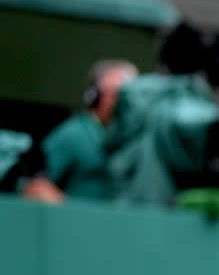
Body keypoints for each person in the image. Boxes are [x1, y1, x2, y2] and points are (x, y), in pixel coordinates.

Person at [22, 59, 137, 204]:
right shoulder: (73, 134)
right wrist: (71, 215)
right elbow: (35, 186)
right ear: (94, 96)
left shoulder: (132, 137)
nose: (123, 102)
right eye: (116, 94)